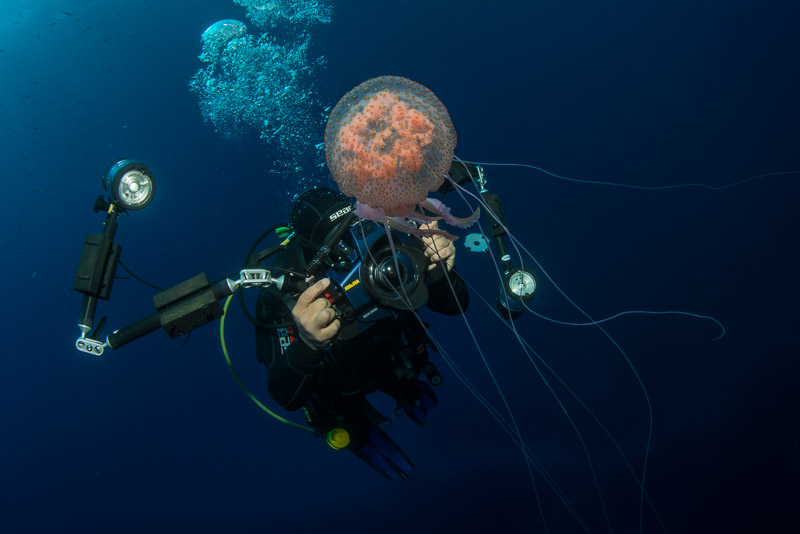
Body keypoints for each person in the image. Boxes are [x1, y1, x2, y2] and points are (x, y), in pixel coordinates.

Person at [253, 186, 469, 479]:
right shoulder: (283, 296)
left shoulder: (381, 239)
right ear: (311, 255)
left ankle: (411, 393)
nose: (351, 254)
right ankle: (361, 435)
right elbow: (285, 396)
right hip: (338, 387)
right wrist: (308, 342)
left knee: (406, 379)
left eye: (352, 234)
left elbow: (457, 305)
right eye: (335, 253)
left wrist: (439, 268)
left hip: (395, 355)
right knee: (346, 422)